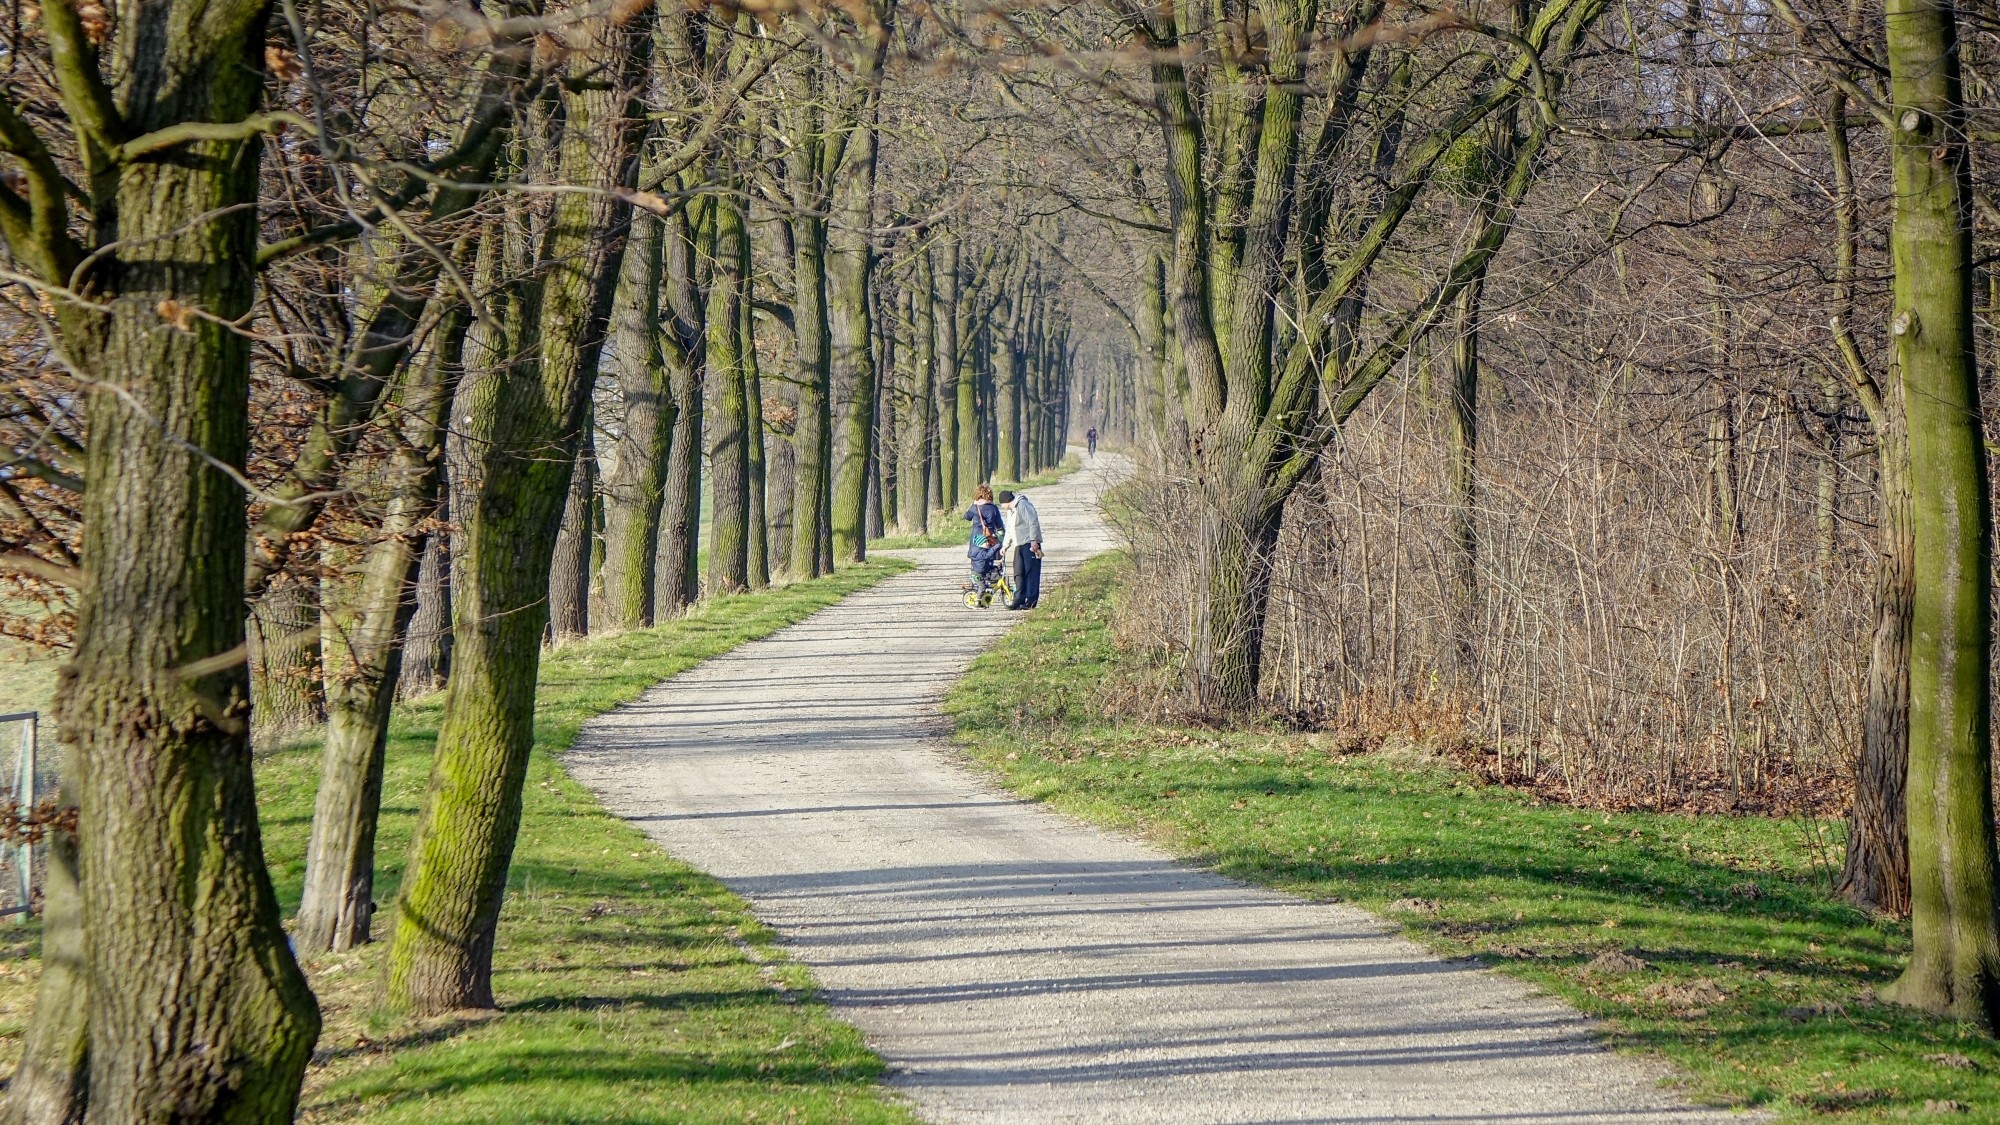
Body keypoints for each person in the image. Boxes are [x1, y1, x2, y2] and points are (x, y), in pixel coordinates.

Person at [998, 489, 1043, 609]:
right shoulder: (1011, 511)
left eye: (1002, 504)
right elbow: (1009, 529)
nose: (1002, 507)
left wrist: (1034, 541)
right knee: (1018, 573)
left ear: (1006, 501)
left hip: (1030, 544)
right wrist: (1005, 546)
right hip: (1018, 544)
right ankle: (1019, 598)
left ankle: (1031, 601)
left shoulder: (1023, 505)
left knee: (1031, 573)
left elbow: (1033, 522)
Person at [963, 484, 1005, 605]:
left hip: (977, 540)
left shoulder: (974, 507)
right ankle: (987, 586)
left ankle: (977, 587)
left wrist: (973, 504)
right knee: (989, 560)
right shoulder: (994, 508)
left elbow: (966, 517)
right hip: (989, 539)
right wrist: (1001, 539)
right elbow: (999, 525)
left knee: (976, 561)